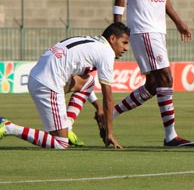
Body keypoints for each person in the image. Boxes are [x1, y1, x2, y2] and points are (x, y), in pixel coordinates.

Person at [112, 0, 194, 147]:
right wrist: (117, 28)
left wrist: (178, 21)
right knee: (166, 78)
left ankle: (109, 114)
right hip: (144, 28)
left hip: (158, 29)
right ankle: (171, 136)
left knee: (152, 86)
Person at [0, 22, 129, 149]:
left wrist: (97, 107)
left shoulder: (91, 41)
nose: (126, 48)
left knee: (88, 81)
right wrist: (109, 133)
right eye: (124, 43)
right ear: (112, 39)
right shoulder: (107, 52)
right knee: (61, 143)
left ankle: (67, 126)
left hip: (38, 76)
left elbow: (85, 85)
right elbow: (108, 98)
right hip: (48, 84)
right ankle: (8, 127)